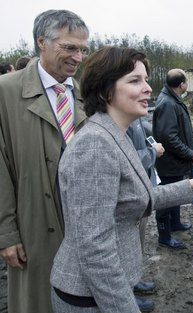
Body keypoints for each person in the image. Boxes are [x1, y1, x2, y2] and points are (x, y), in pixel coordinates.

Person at [50, 46, 193, 313]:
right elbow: (95, 250)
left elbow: (135, 196)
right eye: (135, 80)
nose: (148, 88)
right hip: (89, 297)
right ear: (106, 90)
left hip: (98, 292)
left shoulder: (115, 134)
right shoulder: (95, 146)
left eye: (146, 79)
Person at [0, 9, 89, 313]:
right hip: (32, 227)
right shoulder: (6, 92)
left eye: (83, 49)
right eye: (69, 47)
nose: (78, 57)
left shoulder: (84, 95)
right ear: (42, 42)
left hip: (80, 226)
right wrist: (6, 234)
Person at [153, 69, 193, 249]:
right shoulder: (168, 103)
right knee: (166, 199)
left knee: (176, 193)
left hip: (175, 163)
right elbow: (169, 137)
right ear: (182, 85)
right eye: (186, 81)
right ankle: (164, 236)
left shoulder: (172, 99)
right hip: (169, 163)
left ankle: (175, 223)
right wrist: (189, 153)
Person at [126, 117, 165, 311]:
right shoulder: (119, 119)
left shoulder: (135, 116)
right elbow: (130, 159)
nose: (147, 88)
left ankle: (134, 280)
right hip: (134, 192)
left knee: (137, 241)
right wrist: (153, 151)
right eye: (136, 83)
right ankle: (128, 294)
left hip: (143, 188)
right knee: (128, 244)